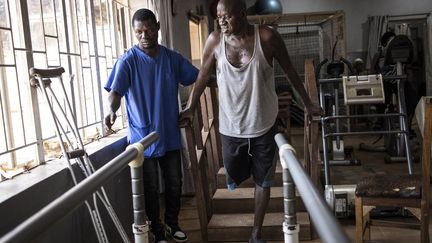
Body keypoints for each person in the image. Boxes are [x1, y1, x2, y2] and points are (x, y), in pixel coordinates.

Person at [179, 0, 322, 242]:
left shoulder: (267, 37)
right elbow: (203, 74)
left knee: (263, 180)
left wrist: (308, 105)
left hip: (264, 123)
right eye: (219, 17)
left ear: (244, 14)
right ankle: (249, 174)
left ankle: (256, 233)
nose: (222, 22)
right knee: (234, 172)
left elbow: (290, 71)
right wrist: (191, 108)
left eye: (228, 17)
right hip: (230, 125)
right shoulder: (215, 40)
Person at [104, 8, 198, 243]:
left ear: (157, 26)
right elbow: (115, 93)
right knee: (151, 189)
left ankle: (173, 224)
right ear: (134, 32)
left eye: (148, 29)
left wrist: (190, 108)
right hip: (142, 139)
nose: (144, 35)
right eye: (138, 32)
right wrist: (111, 111)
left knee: (175, 184)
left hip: (169, 135)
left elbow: (198, 77)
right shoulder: (128, 61)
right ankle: (158, 232)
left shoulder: (171, 58)